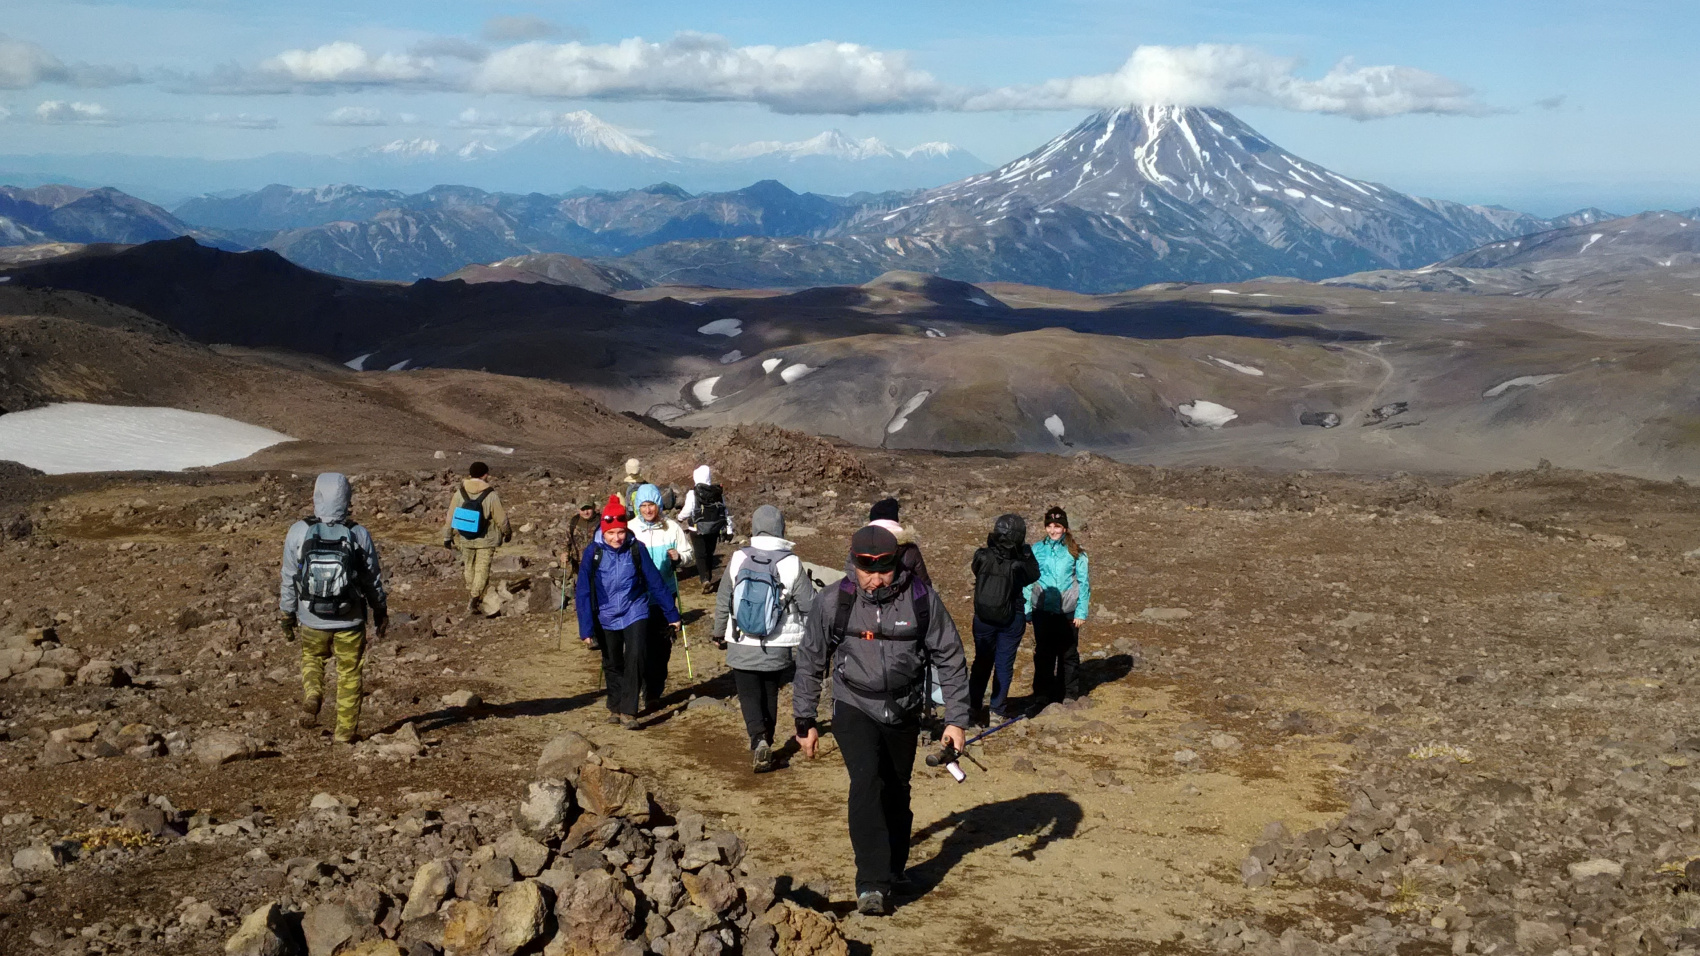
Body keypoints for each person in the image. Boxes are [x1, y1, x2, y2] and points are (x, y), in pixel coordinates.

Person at [795, 524, 969, 916]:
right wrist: (804, 719)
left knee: (896, 789)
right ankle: (871, 883)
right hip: (853, 704)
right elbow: (810, 659)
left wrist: (956, 719)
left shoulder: (922, 600)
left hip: (905, 708)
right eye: (865, 568)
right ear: (853, 562)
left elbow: (951, 657)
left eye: (883, 569)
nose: (874, 579)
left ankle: (892, 869)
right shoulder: (833, 601)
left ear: (896, 563)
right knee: (867, 780)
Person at [280, 473, 388, 744]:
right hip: (349, 621)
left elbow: (289, 577)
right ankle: (344, 734)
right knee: (349, 674)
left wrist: (287, 613)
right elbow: (371, 578)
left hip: (311, 617)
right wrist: (380, 610)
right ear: (346, 498)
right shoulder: (358, 533)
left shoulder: (298, 531)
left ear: (317, 496)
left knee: (312, 659)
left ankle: (313, 693)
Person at [713, 504, 815, 774]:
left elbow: (724, 598)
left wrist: (717, 631)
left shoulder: (738, 558)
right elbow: (809, 606)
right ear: (781, 528)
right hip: (776, 643)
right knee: (769, 693)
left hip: (740, 638)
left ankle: (758, 739)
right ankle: (766, 741)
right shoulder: (791, 562)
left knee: (748, 695)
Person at [575, 495, 680, 728]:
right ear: (603, 531)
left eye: (620, 532)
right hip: (605, 613)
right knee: (612, 661)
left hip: (636, 609)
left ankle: (629, 711)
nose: (616, 538)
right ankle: (615, 705)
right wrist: (586, 627)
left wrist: (672, 614)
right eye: (611, 533)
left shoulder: (636, 549)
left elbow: (655, 582)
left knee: (636, 657)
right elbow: (582, 591)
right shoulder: (592, 553)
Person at [968, 514, 1041, 724]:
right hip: (1012, 616)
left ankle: (973, 707)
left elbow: (976, 571)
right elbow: (1034, 575)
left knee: (981, 661)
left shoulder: (981, 555)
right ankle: (997, 710)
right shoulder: (1020, 562)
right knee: (1003, 663)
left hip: (983, 617)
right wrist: (1025, 554)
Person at [629, 483, 693, 711]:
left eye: (652, 505)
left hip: (665, 595)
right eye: (643, 505)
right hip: (637, 596)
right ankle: (638, 689)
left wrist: (679, 558)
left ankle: (654, 692)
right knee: (639, 645)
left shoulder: (672, 528)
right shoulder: (630, 529)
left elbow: (689, 555)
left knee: (662, 646)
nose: (648, 510)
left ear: (659, 505)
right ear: (637, 507)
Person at [1026, 505, 1091, 706]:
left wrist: (1081, 612)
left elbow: (1084, 583)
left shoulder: (1076, 552)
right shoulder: (1036, 550)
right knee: (1044, 652)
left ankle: (1069, 694)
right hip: (1042, 610)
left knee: (1068, 653)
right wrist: (1027, 609)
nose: (1053, 530)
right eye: (1049, 526)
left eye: (1057, 526)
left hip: (1068, 611)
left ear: (1065, 528)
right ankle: (1042, 693)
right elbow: (1028, 581)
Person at [442, 462, 512, 613]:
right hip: (486, 539)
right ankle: (474, 598)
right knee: (482, 569)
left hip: (465, 537)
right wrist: (507, 533)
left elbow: (450, 516)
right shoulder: (491, 495)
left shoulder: (460, 493)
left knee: (469, 566)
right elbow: (501, 519)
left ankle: (473, 592)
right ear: (485, 475)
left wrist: (447, 536)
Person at [841, 497, 931, 584]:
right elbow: (923, 580)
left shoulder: (861, 545)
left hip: (863, 596)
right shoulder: (910, 549)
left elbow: (851, 573)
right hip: (902, 596)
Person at [678, 465, 733, 593]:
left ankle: (704, 579)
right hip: (714, 528)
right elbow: (724, 511)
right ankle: (708, 576)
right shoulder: (717, 492)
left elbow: (687, 511)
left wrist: (680, 517)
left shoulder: (693, 493)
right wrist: (729, 528)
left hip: (696, 528)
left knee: (700, 554)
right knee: (709, 553)